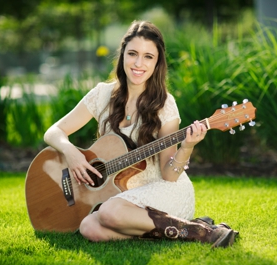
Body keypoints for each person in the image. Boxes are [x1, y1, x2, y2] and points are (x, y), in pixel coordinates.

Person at [43, 20, 237, 248]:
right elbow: (53, 132)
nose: (138, 63)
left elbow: (169, 175)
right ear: (122, 54)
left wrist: (187, 146)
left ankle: (202, 232)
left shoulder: (165, 105)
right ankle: (179, 227)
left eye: (148, 57)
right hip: (120, 197)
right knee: (89, 227)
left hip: (164, 191)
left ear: (157, 63)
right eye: (133, 53)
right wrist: (71, 152)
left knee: (109, 212)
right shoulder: (102, 95)